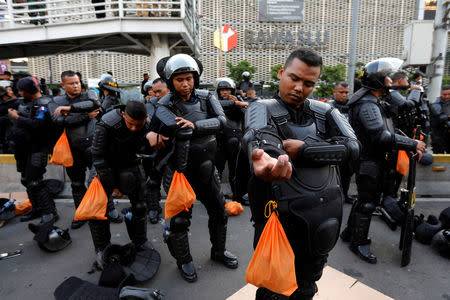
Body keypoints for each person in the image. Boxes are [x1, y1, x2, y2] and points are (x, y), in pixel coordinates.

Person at [242, 48, 360, 300]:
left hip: (322, 214)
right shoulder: (261, 108)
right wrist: (269, 160)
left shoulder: (326, 111)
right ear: (281, 73)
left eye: (308, 83)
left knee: (308, 285)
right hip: (280, 218)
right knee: (274, 290)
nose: (299, 87)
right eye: (294, 78)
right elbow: (261, 139)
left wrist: (305, 150)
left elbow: (352, 147)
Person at [148, 54, 238, 282]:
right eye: (179, 80)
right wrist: (151, 133)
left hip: (207, 167)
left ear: (195, 78)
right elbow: (166, 126)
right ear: (171, 82)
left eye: (189, 78)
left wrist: (196, 125)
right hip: (179, 172)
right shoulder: (164, 104)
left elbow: (222, 121)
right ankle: (184, 260)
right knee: (179, 221)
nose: (185, 84)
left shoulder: (207, 97)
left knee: (219, 211)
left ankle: (218, 251)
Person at [340, 58, 426, 264]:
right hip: (369, 162)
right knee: (368, 204)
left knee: (363, 200)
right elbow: (381, 136)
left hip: (373, 161)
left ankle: (349, 233)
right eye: (387, 77)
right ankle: (358, 242)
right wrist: (412, 144)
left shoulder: (375, 101)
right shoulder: (368, 104)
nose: (390, 81)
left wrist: (409, 142)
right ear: (379, 81)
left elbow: (391, 128)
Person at [49, 70, 121, 229]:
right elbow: (58, 121)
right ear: (63, 85)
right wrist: (85, 117)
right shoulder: (55, 101)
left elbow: (95, 105)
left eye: (77, 82)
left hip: (95, 147)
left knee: (101, 180)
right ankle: (81, 213)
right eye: (71, 83)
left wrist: (68, 109)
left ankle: (109, 209)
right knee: (76, 184)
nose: (75, 86)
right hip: (73, 150)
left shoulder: (89, 94)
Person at [89, 100, 154, 264]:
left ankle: (140, 241)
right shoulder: (107, 123)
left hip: (130, 162)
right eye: (130, 124)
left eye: (138, 125)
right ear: (124, 114)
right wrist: (114, 186)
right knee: (98, 210)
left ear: (146, 118)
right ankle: (102, 248)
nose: (133, 128)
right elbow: (97, 154)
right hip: (104, 164)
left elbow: (149, 154)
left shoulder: (148, 124)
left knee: (140, 205)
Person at [7, 77, 57, 223]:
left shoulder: (44, 104)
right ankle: (37, 208)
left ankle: (50, 211)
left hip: (38, 149)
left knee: (35, 181)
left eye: (21, 90)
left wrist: (17, 117)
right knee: (26, 180)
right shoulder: (22, 103)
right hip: (22, 148)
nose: (20, 93)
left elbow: (38, 124)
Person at [214, 77, 249, 205]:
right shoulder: (214, 102)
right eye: (222, 90)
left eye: (227, 90)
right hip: (219, 141)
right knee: (217, 171)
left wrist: (238, 103)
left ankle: (238, 196)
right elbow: (216, 107)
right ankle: (215, 198)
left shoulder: (238, 101)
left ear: (232, 91)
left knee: (236, 171)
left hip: (234, 141)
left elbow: (246, 113)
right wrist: (235, 103)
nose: (225, 92)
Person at [143, 77, 170, 224]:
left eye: (159, 91)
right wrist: (150, 134)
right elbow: (144, 125)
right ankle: (153, 208)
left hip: (175, 150)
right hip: (155, 150)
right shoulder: (151, 104)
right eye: (154, 92)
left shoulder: (178, 103)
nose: (156, 94)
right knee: (153, 181)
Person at [328, 81, 355, 204]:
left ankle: (344, 195)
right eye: (341, 92)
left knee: (347, 172)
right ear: (334, 92)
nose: (344, 95)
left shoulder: (352, 106)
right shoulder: (328, 106)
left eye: (346, 92)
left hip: (349, 145)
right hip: (333, 144)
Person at [430, 85, 450, 153]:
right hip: (438, 134)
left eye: (449, 94)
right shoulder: (436, 104)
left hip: (448, 133)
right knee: (438, 153)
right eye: (444, 94)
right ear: (441, 94)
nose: (447, 96)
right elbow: (440, 117)